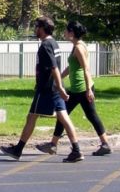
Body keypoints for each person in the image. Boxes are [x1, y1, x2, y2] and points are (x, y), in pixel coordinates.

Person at [0, 16, 84, 163]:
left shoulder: (46, 45)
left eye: (37, 26)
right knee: (63, 118)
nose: (35, 29)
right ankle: (76, 150)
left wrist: (59, 87)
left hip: (47, 89)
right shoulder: (53, 43)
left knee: (32, 116)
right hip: (54, 88)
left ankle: (18, 150)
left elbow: (54, 68)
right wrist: (60, 87)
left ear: (43, 29)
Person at [36, 20, 112, 157]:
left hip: (82, 89)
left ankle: (53, 145)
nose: (64, 33)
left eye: (66, 30)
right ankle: (53, 144)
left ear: (72, 32)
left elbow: (86, 69)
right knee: (68, 114)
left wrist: (89, 89)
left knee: (71, 114)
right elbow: (71, 67)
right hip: (78, 89)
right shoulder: (77, 45)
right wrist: (59, 78)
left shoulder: (78, 48)